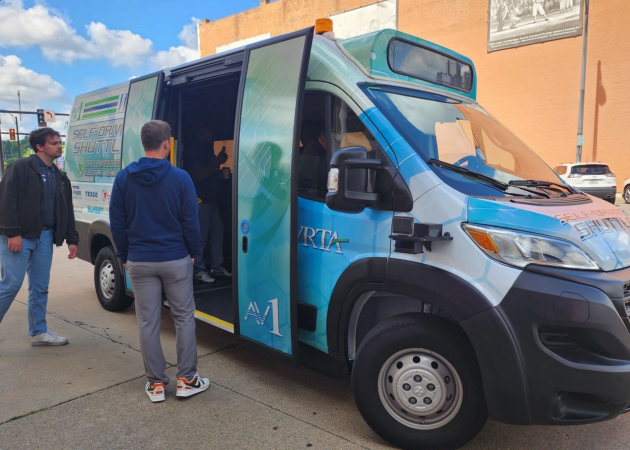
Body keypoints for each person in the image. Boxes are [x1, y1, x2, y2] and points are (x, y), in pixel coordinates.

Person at [109, 120, 209, 403]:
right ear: (167, 143)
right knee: (183, 318)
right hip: (175, 258)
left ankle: (155, 384)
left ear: (144, 143)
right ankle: (188, 380)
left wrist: (125, 256)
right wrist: (193, 253)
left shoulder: (124, 178)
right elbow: (191, 221)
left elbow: (117, 223)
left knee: (147, 322)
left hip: (139, 261)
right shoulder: (181, 178)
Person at [0, 127, 79, 346]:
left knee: (40, 286)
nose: (59, 145)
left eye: (59, 142)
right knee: (10, 285)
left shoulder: (60, 176)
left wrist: (73, 239)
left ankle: (38, 332)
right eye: (54, 143)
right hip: (19, 237)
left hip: (45, 237)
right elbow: (6, 200)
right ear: (39, 147)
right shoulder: (20, 168)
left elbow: (66, 209)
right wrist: (12, 233)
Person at [185, 129, 231, 283]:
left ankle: (217, 267)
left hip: (212, 199)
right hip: (200, 199)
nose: (211, 134)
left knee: (218, 230)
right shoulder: (196, 151)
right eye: (208, 131)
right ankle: (198, 269)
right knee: (201, 237)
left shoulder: (208, 150)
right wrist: (217, 162)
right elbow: (198, 175)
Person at [298, 124, 328, 195]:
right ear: (323, 140)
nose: (332, 145)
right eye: (331, 142)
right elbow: (323, 179)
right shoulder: (313, 153)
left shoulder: (317, 149)